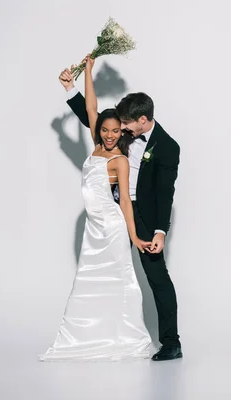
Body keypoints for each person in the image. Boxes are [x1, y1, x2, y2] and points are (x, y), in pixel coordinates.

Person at [58, 57, 183, 361]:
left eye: (126, 124)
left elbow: (166, 193)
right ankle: (103, 335)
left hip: (143, 215)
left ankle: (171, 342)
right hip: (111, 214)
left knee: (157, 277)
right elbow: (95, 119)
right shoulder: (122, 132)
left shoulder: (168, 147)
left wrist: (159, 231)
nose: (120, 128)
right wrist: (73, 86)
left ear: (144, 120)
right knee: (108, 272)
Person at [39, 55, 153, 361]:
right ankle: (88, 336)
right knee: (87, 282)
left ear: (122, 132)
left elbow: (125, 202)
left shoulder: (120, 160)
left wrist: (135, 237)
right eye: (106, 130)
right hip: (93, 229)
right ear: (100, 130)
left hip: (114, 230)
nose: (111, 134)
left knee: (121, 280)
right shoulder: (96, 146)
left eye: (117, 130)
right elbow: (91, 108)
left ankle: (126, 336)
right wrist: (86, 73)